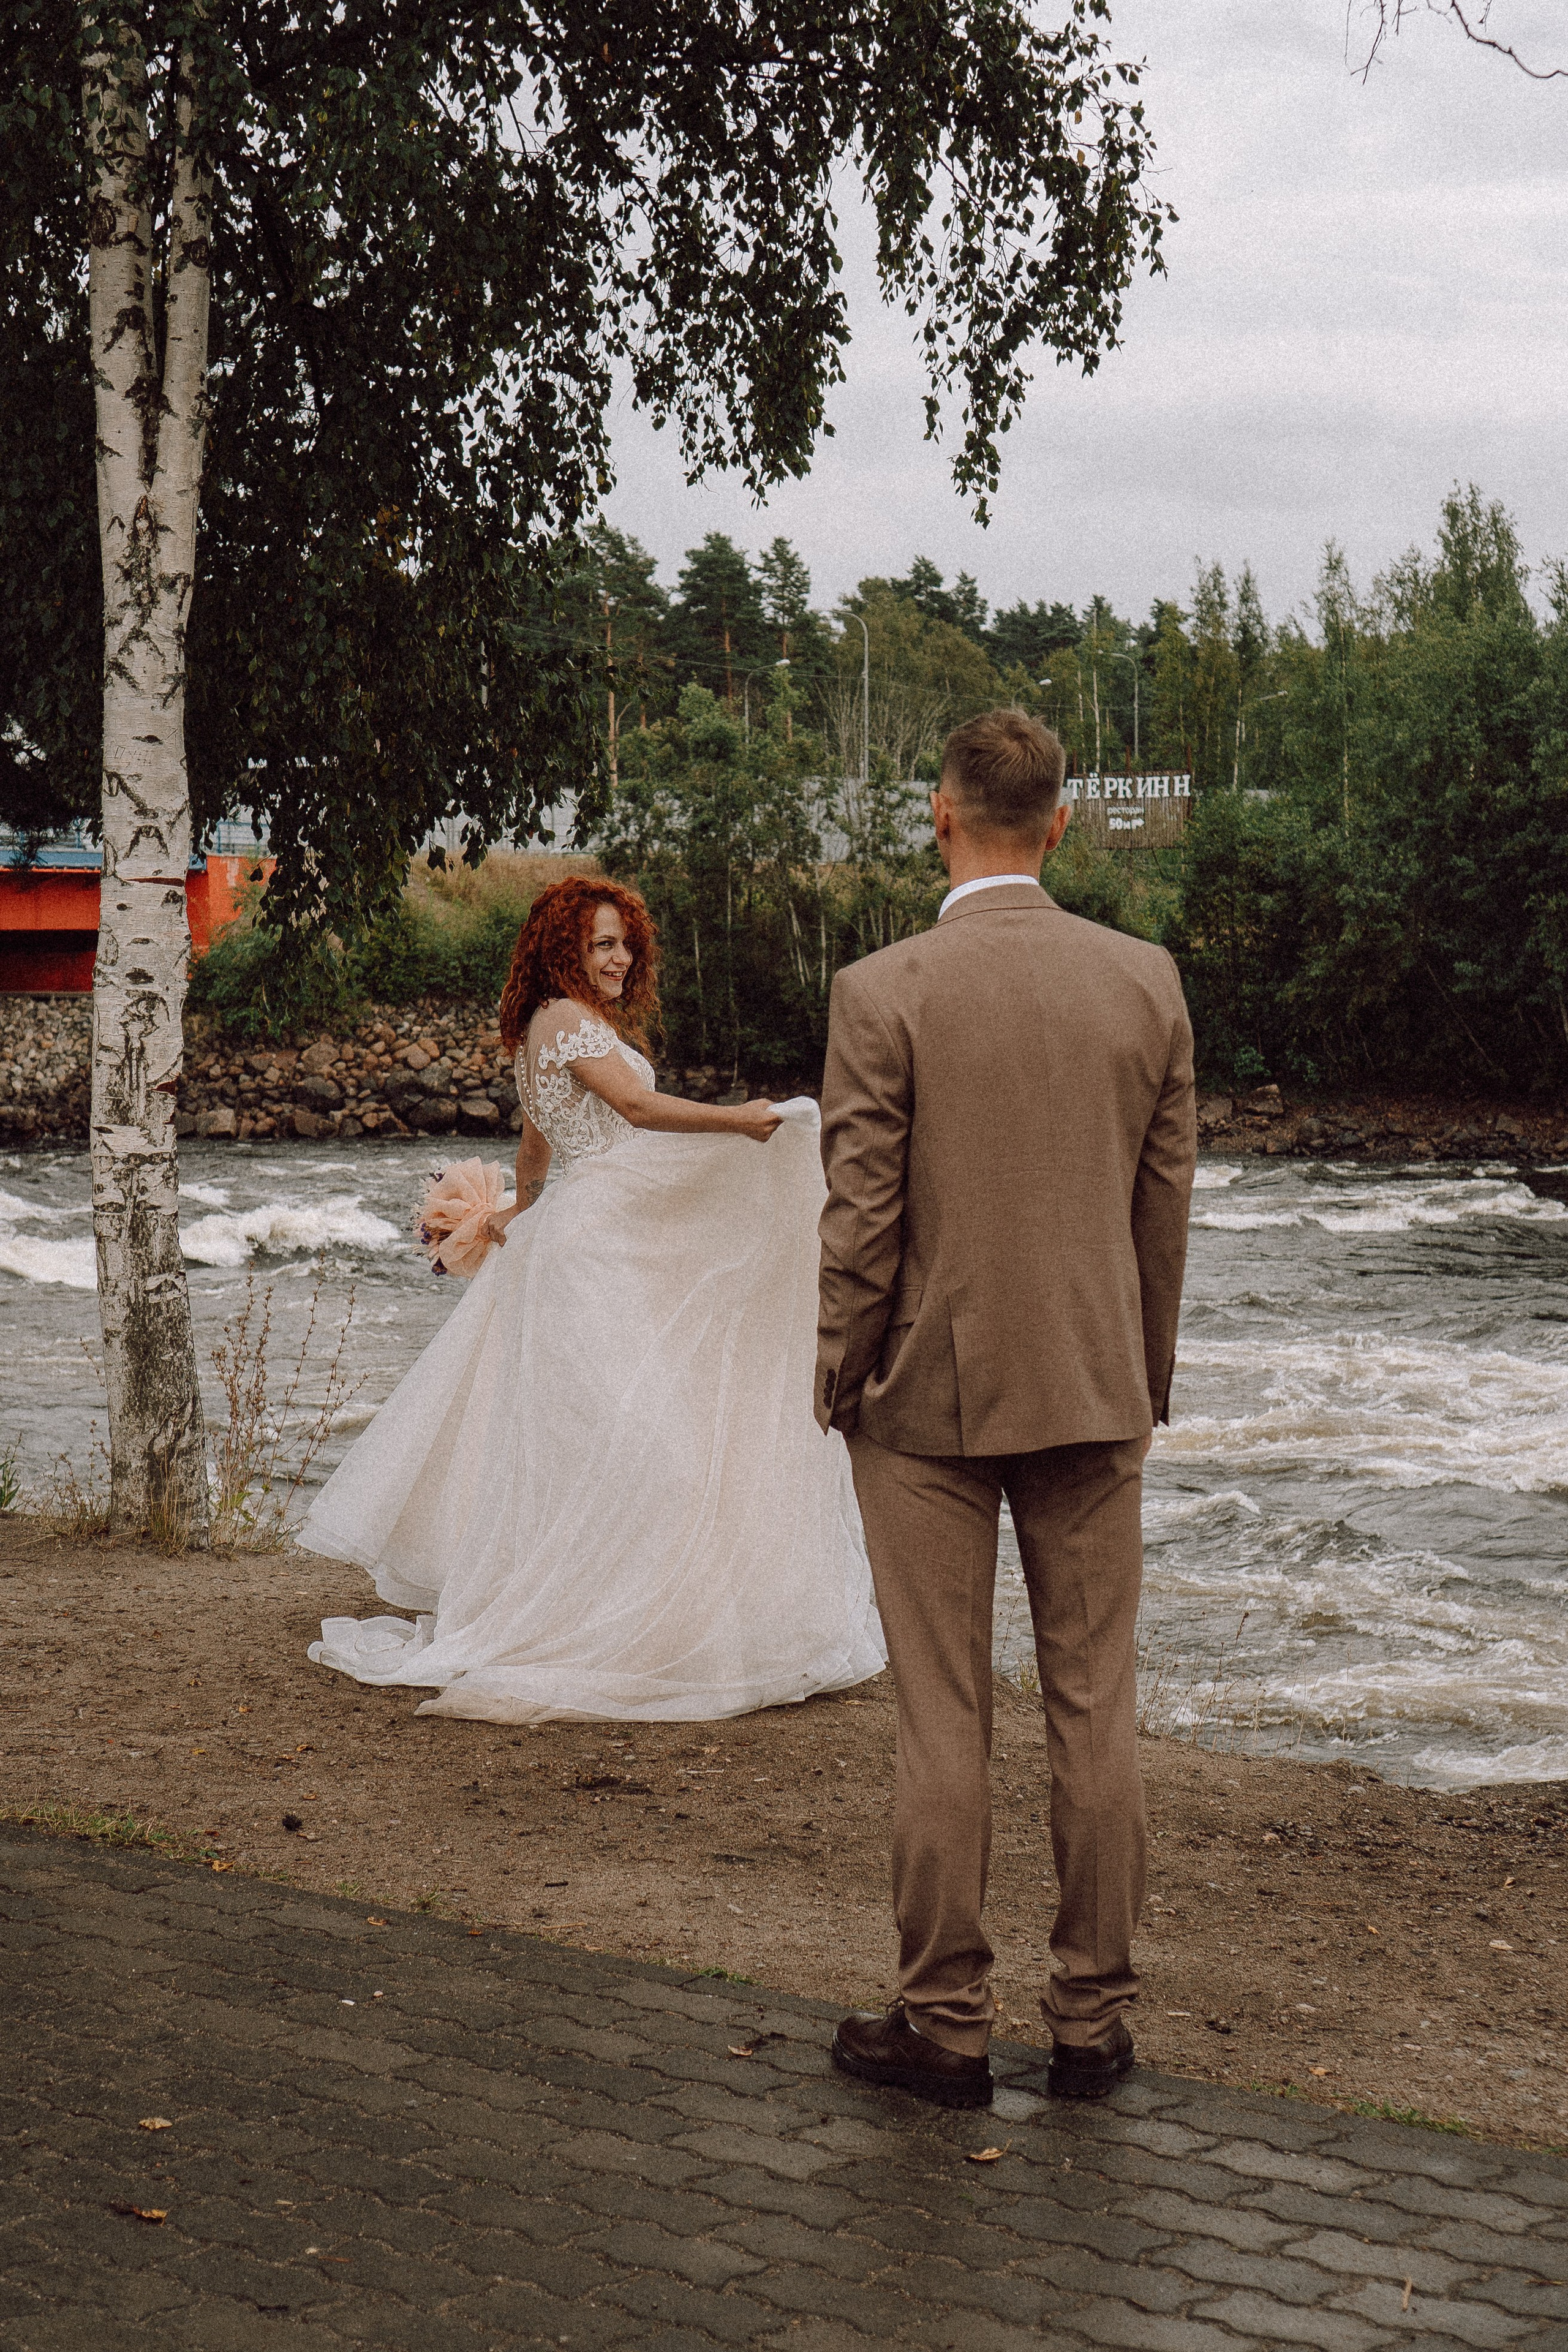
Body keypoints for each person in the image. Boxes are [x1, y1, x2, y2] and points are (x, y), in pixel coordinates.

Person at [817, 709, 1196, 2110]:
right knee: (1097, 1710)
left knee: (943, 1716)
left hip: (923, 1395)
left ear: (939, 812)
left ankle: (944, 2025)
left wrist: (836, 1374)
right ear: (1057, 823)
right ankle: (1091, 2026)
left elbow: (860, 1220)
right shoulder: (1144, 982)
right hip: (1097, 1386)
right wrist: (1140, 1373)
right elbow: (1162, 1213)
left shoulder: (883, 989)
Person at [300, 875, 884, 1721]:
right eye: (602, 944)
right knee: (645, 1437)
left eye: (624, 943)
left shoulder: (551, 1028)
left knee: (595, 1439)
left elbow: (536, 1149)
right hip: (597, 1246)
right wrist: (742, 1122)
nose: (620, 957)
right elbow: (636, 1107)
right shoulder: (569, 1022)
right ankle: (607, 1627)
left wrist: (519, 1218)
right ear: (564, 949)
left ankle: (621, 1614)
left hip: (584, 1236)